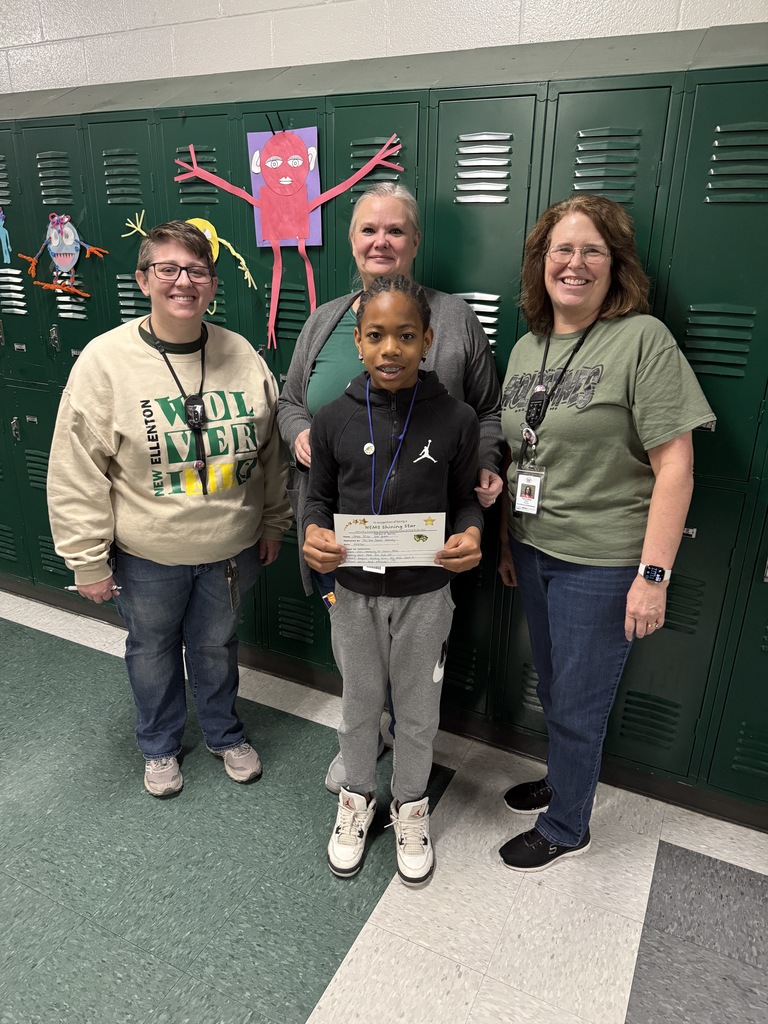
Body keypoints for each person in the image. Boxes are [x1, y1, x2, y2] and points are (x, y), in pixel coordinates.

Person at [497, 195, 714, 871]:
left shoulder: (642, 340)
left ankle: (566, 825)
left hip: (602, 561)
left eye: (594, 250)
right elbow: (518, 454)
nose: (576, 263)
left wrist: (653, 576)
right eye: (562, 249)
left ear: (615, 266)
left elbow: (675, 464)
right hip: (535, 551)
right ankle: (564, 779)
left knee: (580, 700)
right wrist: (508, 542)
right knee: (558, 687)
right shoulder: (527, 347)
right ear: (541, 264)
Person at [47, 220, 291, 797]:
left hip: (230, 549)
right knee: (152, 651)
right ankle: (158, 746)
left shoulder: (242, 355)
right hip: (147, 556)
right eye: (168, 269)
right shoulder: (106, 362)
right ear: (143, 280)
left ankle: (223, 733)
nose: (183, 281)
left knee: (216, 648)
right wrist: (87, 559)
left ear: (212, 284)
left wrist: (275, 520)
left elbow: (272, 451)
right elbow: (78, 469)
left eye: (197, 271)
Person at [277, 181, 504, 793]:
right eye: (369, 230)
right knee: (354, 643)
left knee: (412, 650)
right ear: (351, 242)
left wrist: (484, 460)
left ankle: (408, 750)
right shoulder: (327, 319)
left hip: (421, 537)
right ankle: (365, 736)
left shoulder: (453, 319)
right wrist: (300, 432)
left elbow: (486, 411)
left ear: (415, 242)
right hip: (340, 530)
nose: (382, 240)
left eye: (395, 230)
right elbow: (292, 397)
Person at [303, 275, 483, 885]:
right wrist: (314, 535)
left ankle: (410, 804)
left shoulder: (456, 419)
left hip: (425, 597)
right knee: (357, 707)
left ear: (428, 340)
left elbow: (466, 502)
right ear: (357, 342)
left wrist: (473, 532)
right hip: (352, 595)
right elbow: (316, 500)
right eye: (376, 336)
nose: (391, 349)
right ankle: (356, 798)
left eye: (406, 336)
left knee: (417, 712)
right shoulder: (332, 421)